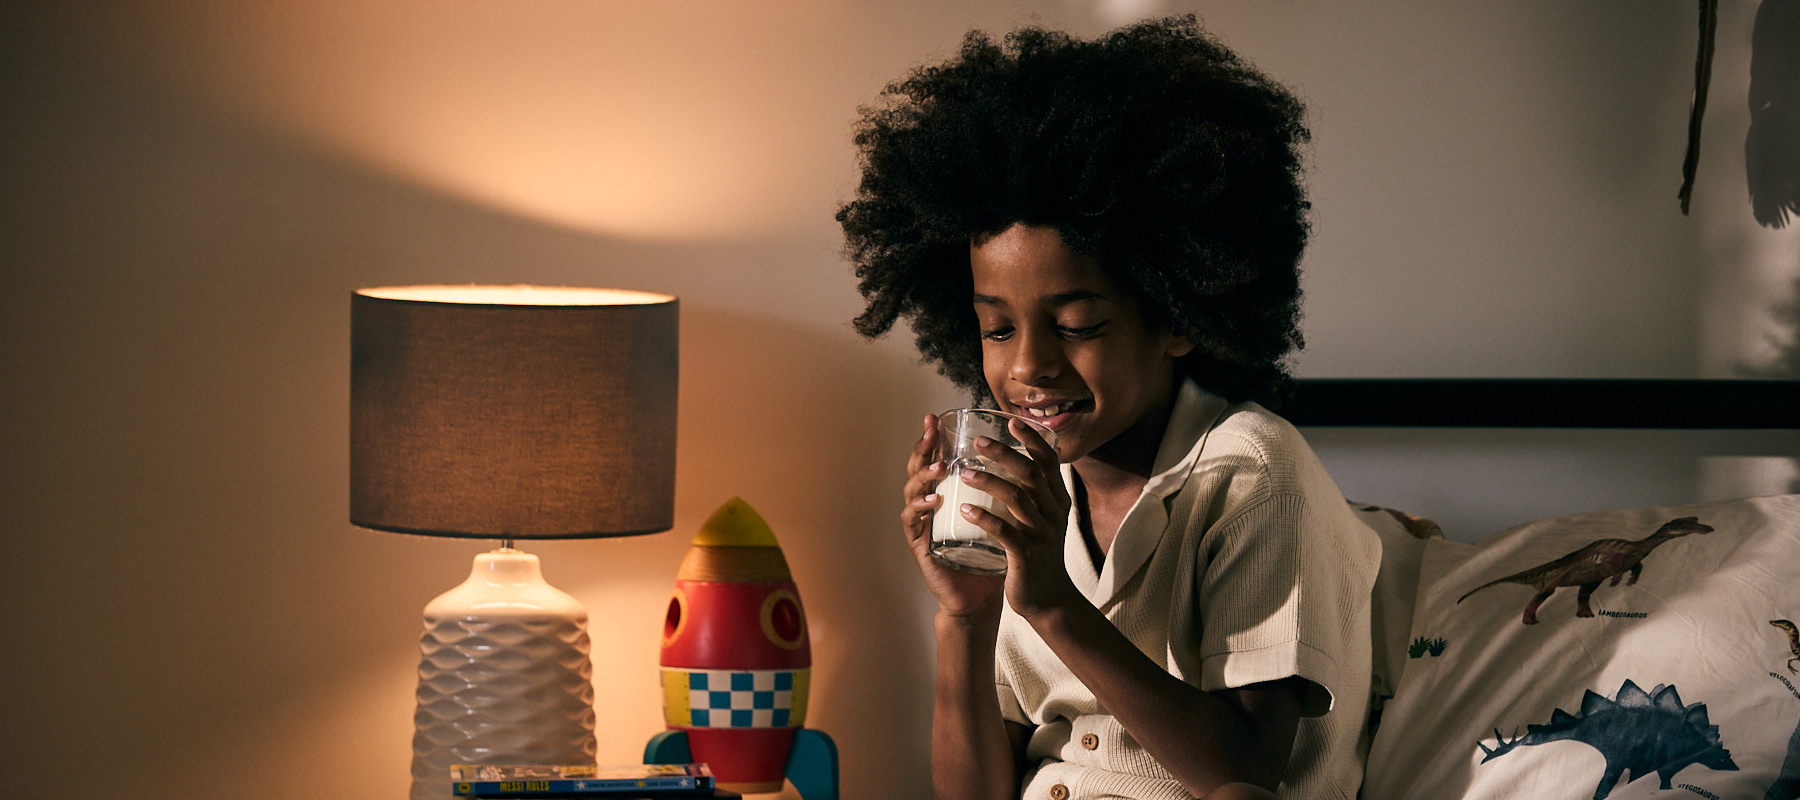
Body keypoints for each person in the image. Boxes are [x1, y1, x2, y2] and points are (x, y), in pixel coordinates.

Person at [836, 14, 1382, 800]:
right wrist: (965, 616)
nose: (1028, 365)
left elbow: (1246, 771)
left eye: (1077, 326)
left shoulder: (1254, 475)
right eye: (996, 328)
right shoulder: (1020, 497)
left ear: (1178, 316)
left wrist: (1056, 608)